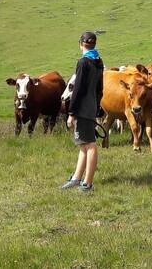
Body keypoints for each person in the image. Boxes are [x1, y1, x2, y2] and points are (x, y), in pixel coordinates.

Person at [62, 31, 104, 193]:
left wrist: (71, 113)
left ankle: (87, 183)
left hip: (82, 108)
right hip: (92, 105)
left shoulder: (83, 62)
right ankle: (76, 178)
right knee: (82, 144)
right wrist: (97, 106)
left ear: (81, 44)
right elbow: (100, 88)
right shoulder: (98, 61)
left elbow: (77, 89)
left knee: (90, 144)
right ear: (93, 45)